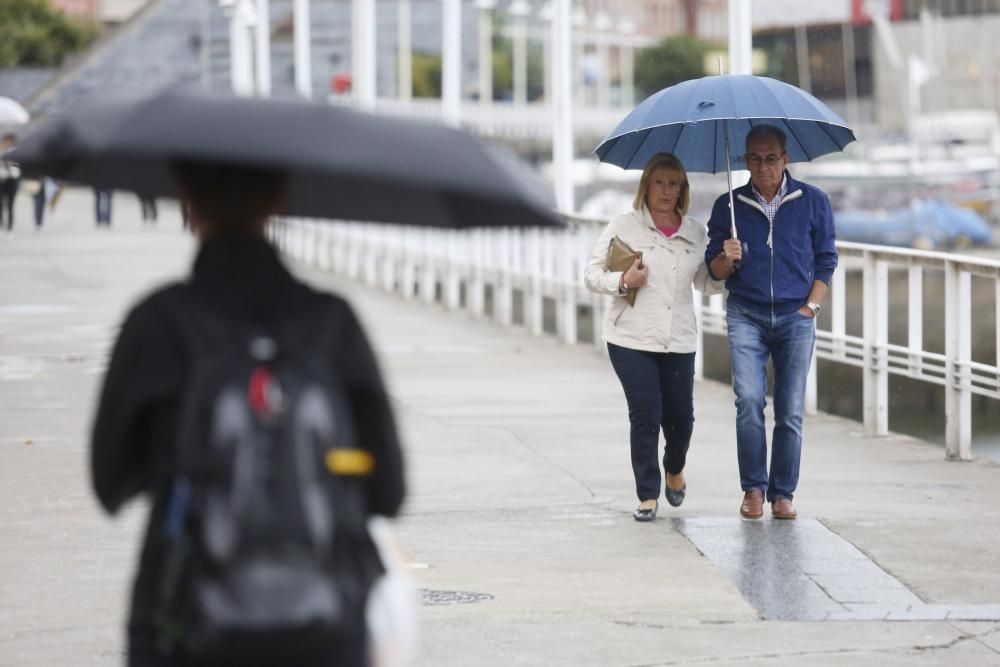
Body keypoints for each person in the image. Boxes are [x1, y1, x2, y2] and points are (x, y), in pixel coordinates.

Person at [90, 162, 406, 666]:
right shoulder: (333, 323)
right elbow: (389, 489)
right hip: (324, 623)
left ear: (186, 198)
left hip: (183, 622)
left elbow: (109, 485)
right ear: (281, 195)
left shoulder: (157, 322)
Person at [704, 124, 838, 521]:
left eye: (771, 158)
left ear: (786, 158)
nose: (763, 167)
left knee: (790, 409)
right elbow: (713, 272)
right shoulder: (726, 207)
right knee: (748, 401)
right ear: (745, 160)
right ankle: (753, 489)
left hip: (796, 316)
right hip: (746, 312)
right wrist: (726, 258)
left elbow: (826, 260)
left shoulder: (814, 201)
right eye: (755, 159)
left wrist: (811, 308)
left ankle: (783, 492)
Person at [584, 153, 724, 522]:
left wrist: (726, 265)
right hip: (630, 338)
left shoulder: (695, 232)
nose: (666, 190)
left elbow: (706, 284)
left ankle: (674, 467)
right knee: (646, 414)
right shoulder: (623, 226)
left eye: (674, 183)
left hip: (678, 340)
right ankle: (647, 494)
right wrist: (624, 282)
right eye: (659, 182)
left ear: (683, 189)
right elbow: (591, 275)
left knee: (681, 419)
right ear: (645, 186)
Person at [0, 133, 21, 231]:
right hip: (1, 180)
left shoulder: (16, 153)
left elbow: (19, 168)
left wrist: (10, 168)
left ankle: (10, 227)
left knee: (10, 204)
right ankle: (1, 225)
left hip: (12, 180)